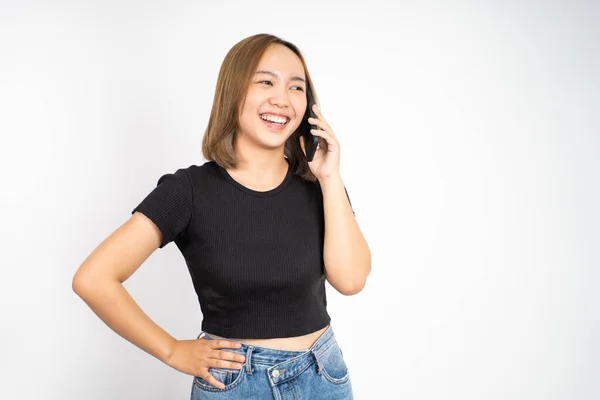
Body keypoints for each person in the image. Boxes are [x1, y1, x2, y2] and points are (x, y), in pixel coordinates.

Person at [72, 33, 371, 399]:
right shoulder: (189, 190)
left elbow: (351, 280)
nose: (282, 99)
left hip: (323, 376)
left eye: (296, 87)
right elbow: (94, 278)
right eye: (265, 81)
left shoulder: (320, 186)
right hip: (236, 385)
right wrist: (171, 349)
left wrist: (329, 177)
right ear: (234, 92)